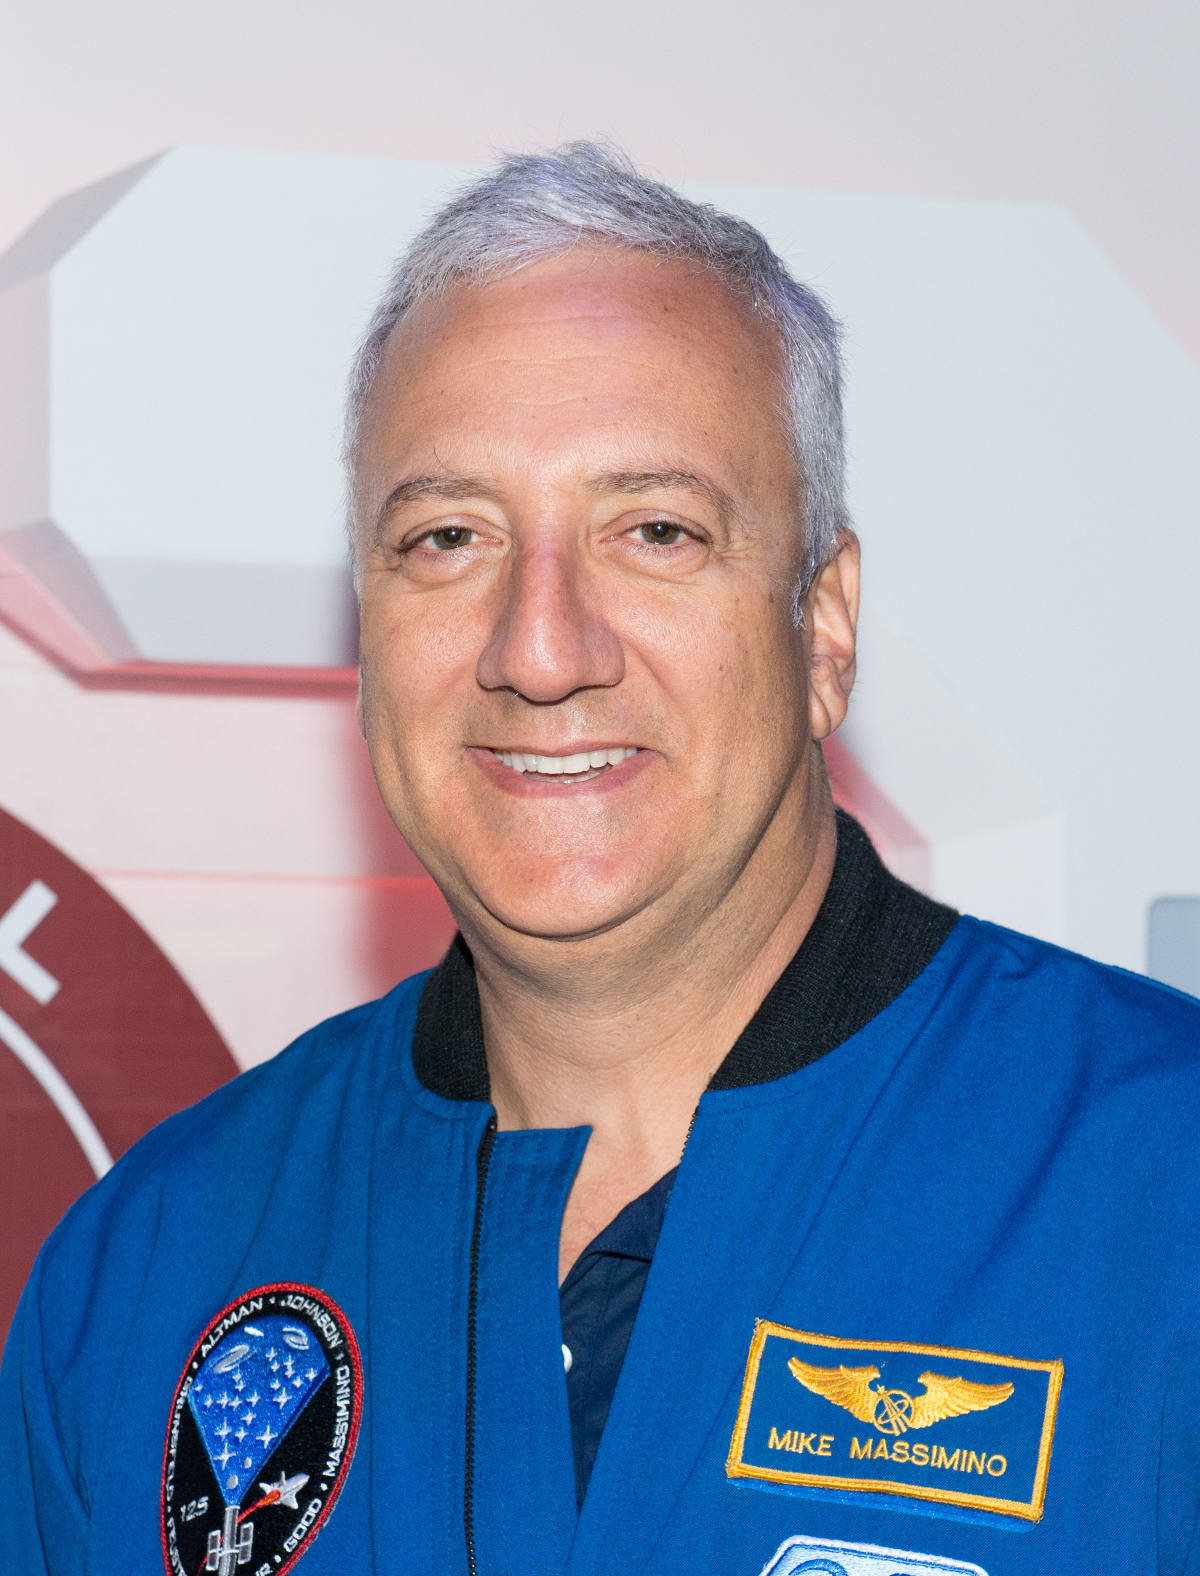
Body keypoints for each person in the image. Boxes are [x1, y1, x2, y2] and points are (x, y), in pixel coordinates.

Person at [3, 142, 1199, 1576]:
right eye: (449, 537)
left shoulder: (1157, 1194)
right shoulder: (141, 1277)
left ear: (822, 626)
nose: (541, 648)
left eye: (656, 531)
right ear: (367, 633)